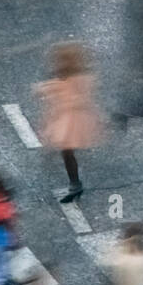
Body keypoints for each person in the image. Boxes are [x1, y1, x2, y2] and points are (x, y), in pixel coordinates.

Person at [35, 41, 104, 203]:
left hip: (71, 121)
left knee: (67, 150)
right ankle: (75, 183)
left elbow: (81, 97)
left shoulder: (76, 79)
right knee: (67, 151)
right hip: (68, 119)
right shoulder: (67, 78)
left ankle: (75, 184)